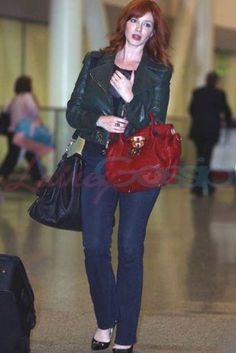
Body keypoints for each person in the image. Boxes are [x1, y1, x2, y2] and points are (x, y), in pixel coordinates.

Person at [66, 0, 172, 352]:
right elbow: (73, 110)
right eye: (134, 21)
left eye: (147, 25)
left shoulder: (158, 72)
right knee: (94, 247)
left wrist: (130, 99)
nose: (139, 29)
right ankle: (104, 320)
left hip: (141, 165)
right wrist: (99, 121)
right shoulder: (96, 62)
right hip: (98, 158)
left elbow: (156, 124)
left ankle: (125, 335)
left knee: (129, 249)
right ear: (124, 23)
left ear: (154, 32)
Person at [189, 71, 232, 196]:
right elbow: (226, 111)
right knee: (206, 159)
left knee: (201, 158)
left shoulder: (197, 93)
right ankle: (204, 186)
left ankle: (202, 186)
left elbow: (191, 110)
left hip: (198, 131)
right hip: (211, 132)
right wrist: (228, 123)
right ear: (216, 81)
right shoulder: (219, 94)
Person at [0, 76, 43, 184]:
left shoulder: (15, 98)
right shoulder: (28, 97)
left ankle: (2, 175)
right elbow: (34, 112)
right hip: (24, 132)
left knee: (12, 155)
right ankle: (38, 180)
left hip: (13, 131)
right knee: (30, 154)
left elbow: (6, 110)